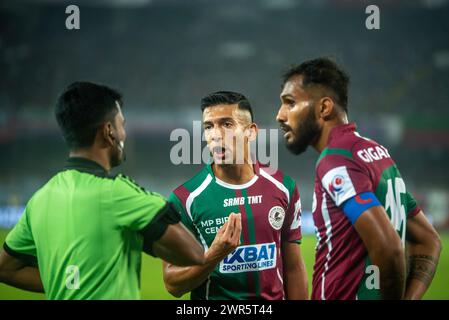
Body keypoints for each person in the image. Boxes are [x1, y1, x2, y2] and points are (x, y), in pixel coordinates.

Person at [0, 81, 204, 299]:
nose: (124, 134)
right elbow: (193, 254)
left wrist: (70, 283)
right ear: (109, 131)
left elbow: (4, 268)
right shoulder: (121, 194)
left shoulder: (40, 199)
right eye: (121, 125)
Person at [276, 57, 442, 300]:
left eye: (290, 103)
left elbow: (390, 249)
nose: (280, 115)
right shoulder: (376, 153)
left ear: (324, 108)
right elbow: (428, 240)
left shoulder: (335, 159)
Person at [163, 91, 308, 300]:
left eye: (227, 124)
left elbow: (293, 268)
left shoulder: (284, 187)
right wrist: (213, 256)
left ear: (251, 132)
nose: (216, 135)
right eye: (208, 126)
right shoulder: (184, 199)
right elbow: (172, 284)